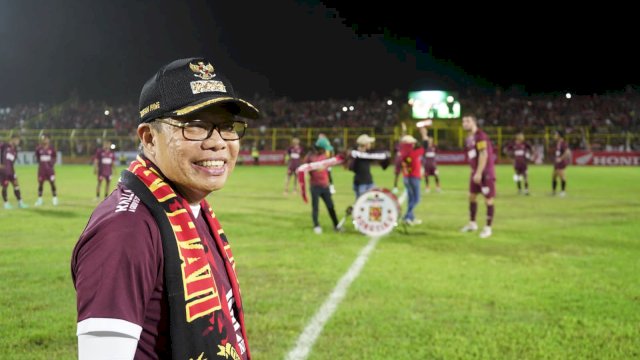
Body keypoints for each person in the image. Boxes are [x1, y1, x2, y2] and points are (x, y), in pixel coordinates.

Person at [71, 57, 259, 359]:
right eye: (195, 127)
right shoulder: (125, 230)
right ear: (149, 138)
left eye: (227, 126)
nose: (218, 143)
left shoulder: (190, 208)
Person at [460, 113, 496, 239]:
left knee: (488, 200)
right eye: (463, 121)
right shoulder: (469, 138)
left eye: (468, 121)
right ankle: (472, 223)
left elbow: (483, 155)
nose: (465, 123)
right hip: (475, 172)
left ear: (474, 122)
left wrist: (479, 172)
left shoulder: (480, 136)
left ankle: (488, 228)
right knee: (472, 197)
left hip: (485, 173)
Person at [303, 143, 341, 234]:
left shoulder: (325, 156)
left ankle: (336, 225)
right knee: (315, 207)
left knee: (331, 206)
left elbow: (328, 171)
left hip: (325, 186)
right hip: (315, 186)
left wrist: (331, 185)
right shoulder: (310, 156)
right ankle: (316, 225)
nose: (325, 150)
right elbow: (304, 168)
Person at [346, 134, 391, 199]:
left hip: (368, 182)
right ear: (366, 144)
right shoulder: (356, 154)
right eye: (369, 143)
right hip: (362, 184)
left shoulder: (365, 153)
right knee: (361, 204)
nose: (370, 144)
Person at [399, 126, 428, 225]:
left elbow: (402, 142)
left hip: (406, 177)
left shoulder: (403, 151)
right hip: (414, 177)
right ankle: (407, 216)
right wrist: (424, 134)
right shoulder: (414, 152)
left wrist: (403, 133)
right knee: (416, 199)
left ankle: (411, 217)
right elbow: (425, 145)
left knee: (411, 198)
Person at [0, 134, 28, 209]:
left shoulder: (15, 150)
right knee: (5, 186)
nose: (17, 142)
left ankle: (20, 202)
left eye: (18, 140)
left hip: (11, 170)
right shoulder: (4, 145)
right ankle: (6, 203)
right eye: (16, 140)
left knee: (16, 185)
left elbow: (12, 161)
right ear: (12, 139)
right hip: (3, 170)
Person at [34, 133, 58, 206]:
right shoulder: (38, 149)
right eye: (43, 139)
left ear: (49, 140)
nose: (45, 140)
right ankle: (40, 199)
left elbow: (55, 157)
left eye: (46, 139)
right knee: (40, 184)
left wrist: (52, 164)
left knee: (52, 183)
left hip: (50, 170)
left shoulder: (52, 149)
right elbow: (37, 157)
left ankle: (55, 199)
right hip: (42, 170)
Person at [552, 129, 571, 196]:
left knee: (562, 176)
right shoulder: (558, 143)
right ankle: (553, 192)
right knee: (554, 176)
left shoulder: (563, 143)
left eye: (556, 134)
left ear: (559, 135)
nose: (554, 136)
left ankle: (563, 192)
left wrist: (561, 158)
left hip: (561, 162)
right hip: (557, 162)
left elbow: (567, 152)